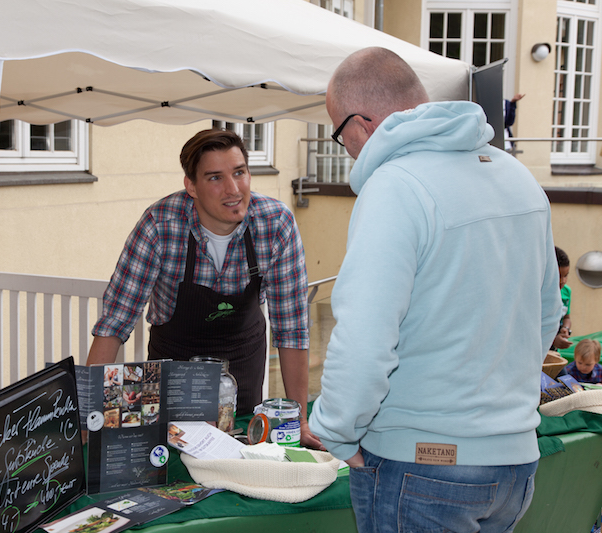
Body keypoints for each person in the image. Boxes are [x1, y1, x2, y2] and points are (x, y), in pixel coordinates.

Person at [308, 47, 562, 532]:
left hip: (422, 463)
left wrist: (334, 433)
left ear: (360, 126)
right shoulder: (516, 176)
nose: (349, 151)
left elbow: (364, 339)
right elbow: (545, 315)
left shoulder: (395, 186)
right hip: (514, 464)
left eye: (341, 136)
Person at [87, 129, 321, 449]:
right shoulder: (160, 225)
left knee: (240, 455)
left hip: (241, 369)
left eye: (239, 172)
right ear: (191, 187)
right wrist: (89, 418)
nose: (233, 189)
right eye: (214, 178)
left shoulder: (275, 223)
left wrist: (300, 422)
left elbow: (292, 329)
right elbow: (114, 323)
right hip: (175, 373)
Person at [553, 246, 573, 349]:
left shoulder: (566, 291)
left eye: (565, 276)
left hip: (555, 350)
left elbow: (567, 317)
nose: (563, 281)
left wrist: (565, 328)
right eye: (559, 276)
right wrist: (552, 340)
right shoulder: (539, 293)